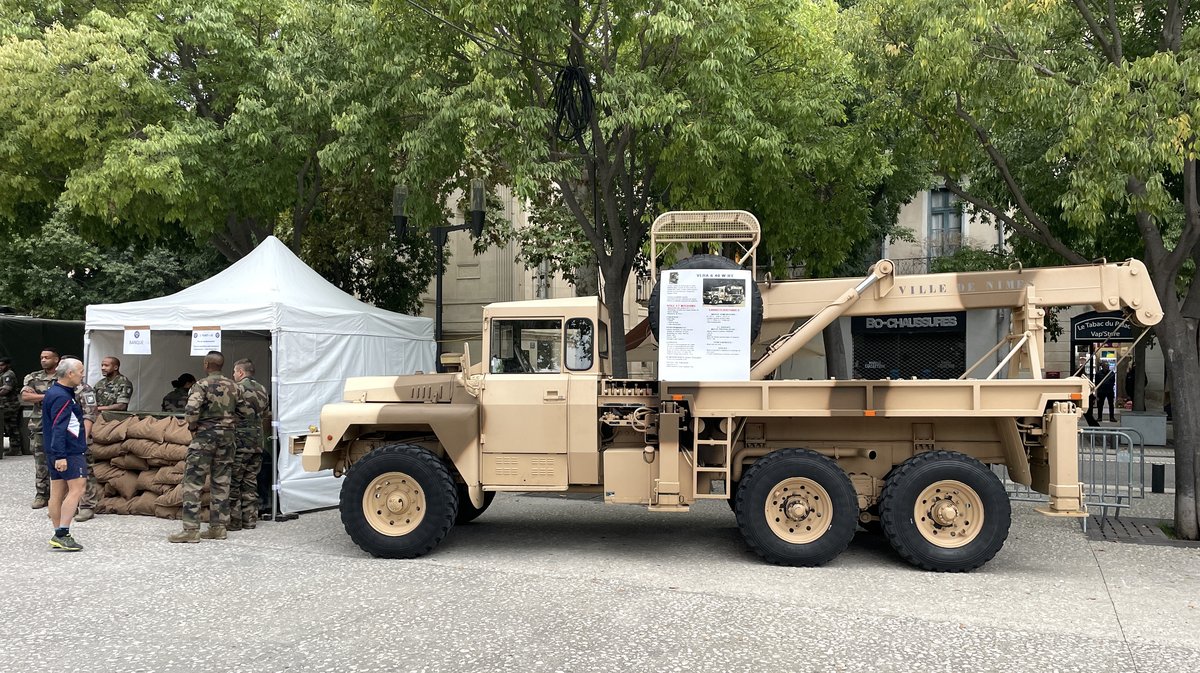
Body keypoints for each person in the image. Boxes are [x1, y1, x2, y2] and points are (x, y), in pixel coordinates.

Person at [168, 352, 251, 543]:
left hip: (204, 438)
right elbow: (245, 412)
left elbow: (191, 411)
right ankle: (218, 527)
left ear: (206, 364)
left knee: (193, 482)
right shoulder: (235, 386)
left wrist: (193, 426)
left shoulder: (201, 385)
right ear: (222, 365)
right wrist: (228, 423)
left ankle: (190, 529)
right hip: (228, 439)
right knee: (222, 482)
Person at [41, 357, 88, 551]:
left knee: (57, 492)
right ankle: (62, 533)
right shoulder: (62, 396)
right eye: (80, 371)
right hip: (67, 451)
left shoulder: (55, 392)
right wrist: (60, 455)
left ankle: (57, 533)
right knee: (78, 488)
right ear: (70, 374)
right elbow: (59, 427)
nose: (82, 374)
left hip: (55, 450)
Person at [230, 358, 270, 531]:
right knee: (251, 481)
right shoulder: (262, 389)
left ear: (240, 372)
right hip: (257, 443)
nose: (232, 375)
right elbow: (266, 414)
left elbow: (228, 412)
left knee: (234, 483)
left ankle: (234, 521)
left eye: (234, 372)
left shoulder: (237, 389)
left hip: (240, 442)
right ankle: (250, 520)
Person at [20, 348, 60, 509]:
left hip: (59, 424)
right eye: (41, 357)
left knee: (61, 460)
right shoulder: (33, 377)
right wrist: (51, 396)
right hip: (40, 425)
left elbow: (68, 395)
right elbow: (26, 397)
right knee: (41, 462)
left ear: (56, 359)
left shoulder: (64, 376)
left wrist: (39, 397)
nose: (43, 360)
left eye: (47, 357)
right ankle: (42, 494)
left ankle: (61, 496)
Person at [0, 356, 20, 457]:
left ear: (7, 365)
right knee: (8, 426)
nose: (0, 367)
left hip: (10, 405)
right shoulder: (3, 374)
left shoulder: (9, 375)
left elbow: (6, 390)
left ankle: (16, 448)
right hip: (4, 405)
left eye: (2, 365)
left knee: (12, 426)